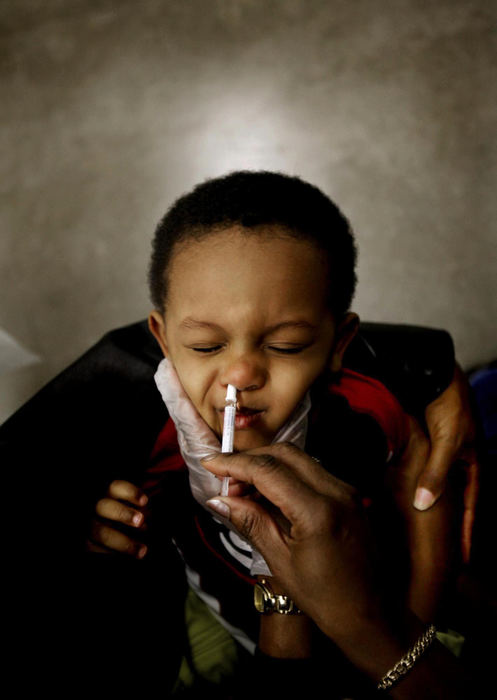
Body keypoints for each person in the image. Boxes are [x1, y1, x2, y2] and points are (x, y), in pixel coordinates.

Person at [4, 171, 479, 695]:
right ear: (162, 338)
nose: (240, 375)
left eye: (288, 345)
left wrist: (409, 630)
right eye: (207, 347)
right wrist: (107, 529)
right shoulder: (152, 430)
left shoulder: (370, 407)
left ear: (339, 342)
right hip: (216, 622)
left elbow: (427, 494)